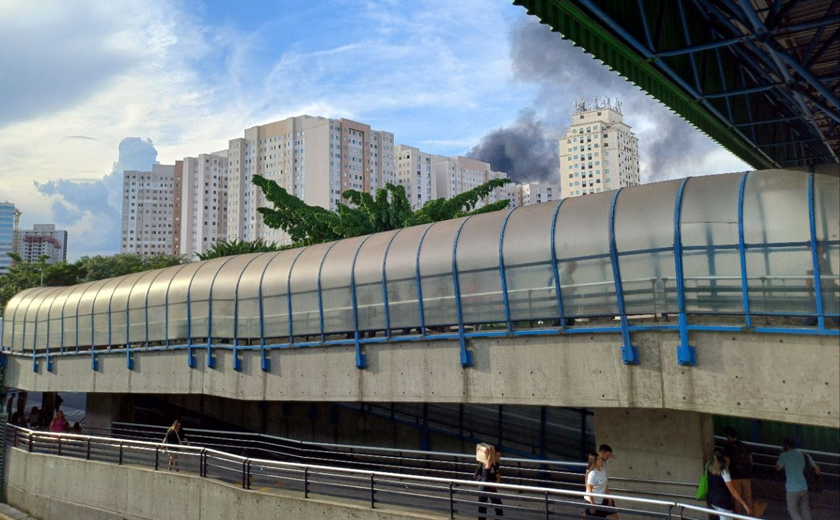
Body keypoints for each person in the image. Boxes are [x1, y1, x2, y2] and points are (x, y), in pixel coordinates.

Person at [776, 437, 820, 520]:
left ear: (786, 446)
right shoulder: (804, 454)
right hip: (803, 487)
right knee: (805, 511)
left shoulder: (784, 455)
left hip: (791, 489)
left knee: (792, 510)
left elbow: (778, 468)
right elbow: (817, 470)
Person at [707, 449, 751, 520]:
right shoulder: (724, 471)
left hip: (712, 499)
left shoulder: (709, 465)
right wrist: (745, 505)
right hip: (723, 502)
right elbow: (732, 490)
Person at [723, 427, 753, 515]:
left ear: (728, 436)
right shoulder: (745, 445)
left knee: (737, 497)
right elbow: (751, 460)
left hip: (735, 476)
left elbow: (727, 463)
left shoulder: (728, 447)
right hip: (746, 475)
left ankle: (739, 517)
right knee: (748, 497)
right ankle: (751, 516)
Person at [585, 446, 617, 518]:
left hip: (600, 499)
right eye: (607, 455)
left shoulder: (602, 469)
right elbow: (589, 488)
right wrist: (592, 505)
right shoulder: (592, 472)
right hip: (593, 500)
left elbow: (605, 485)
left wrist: (609, 498)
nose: (601, 460)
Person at [474, 445, 503, 519]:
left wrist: (496, 481)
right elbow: (487, 468)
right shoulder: (486, 463)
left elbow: (497, 476)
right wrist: (490, 453)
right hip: (484, 487)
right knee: (482, 509)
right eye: (497, 455)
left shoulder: (496, 464)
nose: (498, 457)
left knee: (499, 506)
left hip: (491, 487)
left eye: (499, 456)